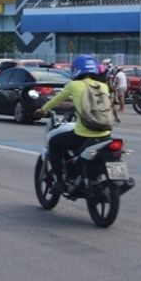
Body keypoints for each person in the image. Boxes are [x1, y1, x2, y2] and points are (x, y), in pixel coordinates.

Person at [33, 55, 112, 195]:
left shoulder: (73, 85)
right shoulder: (104, 87)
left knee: (54, 143)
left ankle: (59, 181)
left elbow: (57, 100)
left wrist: (42, 110)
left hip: (83, 134)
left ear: (76, 70)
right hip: (105, 134)